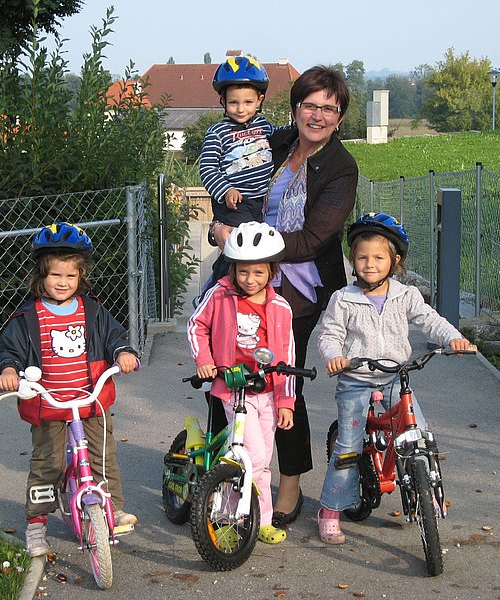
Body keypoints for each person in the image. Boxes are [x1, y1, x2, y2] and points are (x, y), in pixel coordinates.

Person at [212, 66, 358, 527]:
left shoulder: (340, 167)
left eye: (328, 109)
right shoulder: (272, 143)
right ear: (294, 108)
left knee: (277, 379)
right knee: (225, 368)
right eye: (309, 105)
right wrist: (223, 229)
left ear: (339, 117)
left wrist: (247, 246)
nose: (317, 115)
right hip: (244, 271)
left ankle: (290, 478)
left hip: (300, 283)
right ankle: (222, 471)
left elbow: (316, 237)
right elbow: (222, 171)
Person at [316, 212, 472, 544]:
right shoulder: (343, 299)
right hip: (356, 379)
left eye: (378, 257)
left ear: (395, 260)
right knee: (348, 446)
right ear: (352, 260)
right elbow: (329, 336)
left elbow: (431, 321)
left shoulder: (406, 295)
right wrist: (334, 357)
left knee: (419, 433)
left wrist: (453, 338)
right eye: (362, 257)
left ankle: (425, 491)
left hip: (394, 378)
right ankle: (330, 509)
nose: (369, 264)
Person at [0, 222, 140, 557]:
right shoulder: (28, 317)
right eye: (56, 276)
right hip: (49, 405)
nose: (63, 283)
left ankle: (112, 509)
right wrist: (7, 371)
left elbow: (114, 337)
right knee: (49, 464)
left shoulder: (92, 311)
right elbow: (10, 351)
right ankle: (36, 523)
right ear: (41, 276)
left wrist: (124, 353)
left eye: (71, 277)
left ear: (81, 277)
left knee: (103, 457)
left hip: (89, 402)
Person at [187, 221, 295, 545]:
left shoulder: (280, 308)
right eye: (244, 272)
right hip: (233, 389)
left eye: (258, 273)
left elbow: (288, 358)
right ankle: (225, 515)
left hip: (268, 392)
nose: (250, 280)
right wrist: (204, 360)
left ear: (272, 272)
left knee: (262, 463)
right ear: (233, 269)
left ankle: (261, 519)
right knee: (254, 457)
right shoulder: (219, 295)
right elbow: (196, 327)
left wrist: (286, 402)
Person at [200, 55, 275, 287]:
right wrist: (226, 189)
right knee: (239, 248)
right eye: (233, 103)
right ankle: (216, 289)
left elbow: (286, 136)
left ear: (259, 100)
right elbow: (208, 168)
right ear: (222, 101)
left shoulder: (264, 127)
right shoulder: (218, 133)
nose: (241, 109)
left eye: (248, 102)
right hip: (235, 203)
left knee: (259, 251)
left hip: (259, 202)